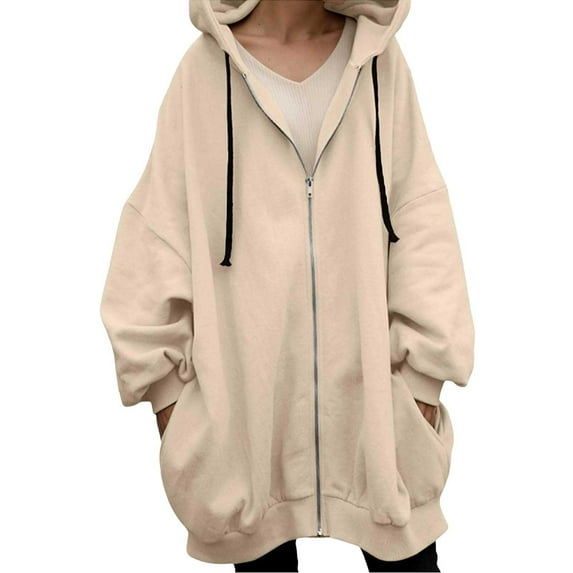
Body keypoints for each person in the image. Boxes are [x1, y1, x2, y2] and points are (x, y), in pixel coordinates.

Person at [100, 0, 474, 571]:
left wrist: (422, 382)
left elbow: (423, 225)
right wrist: (170, 402)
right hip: (245, 440)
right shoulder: (202, 75)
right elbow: (153, 243)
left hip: (379, 431)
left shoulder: (380, 63)